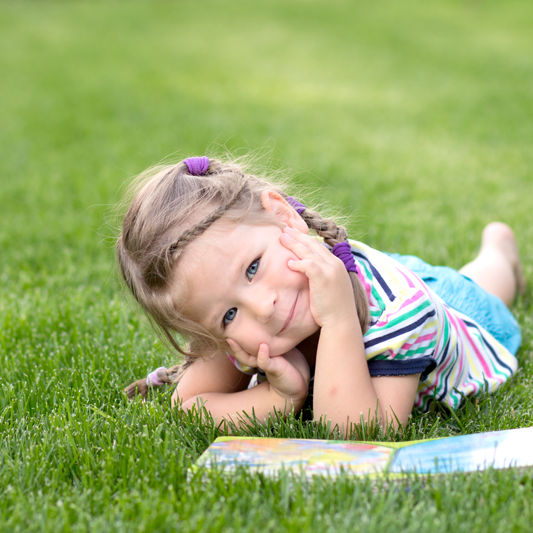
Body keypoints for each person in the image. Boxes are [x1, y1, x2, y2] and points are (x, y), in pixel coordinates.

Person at [117, 156, 524, 433]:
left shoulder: (400, 313)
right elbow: (188, 407)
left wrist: (338, 320)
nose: (262, 308)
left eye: (254, 268)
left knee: (481, 284)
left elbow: (357, 430)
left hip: (459, 317)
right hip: (367, 273)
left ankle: (498, 249)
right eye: (228, 314)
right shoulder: (232, 314)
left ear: (283, 216)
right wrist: (280, 397)